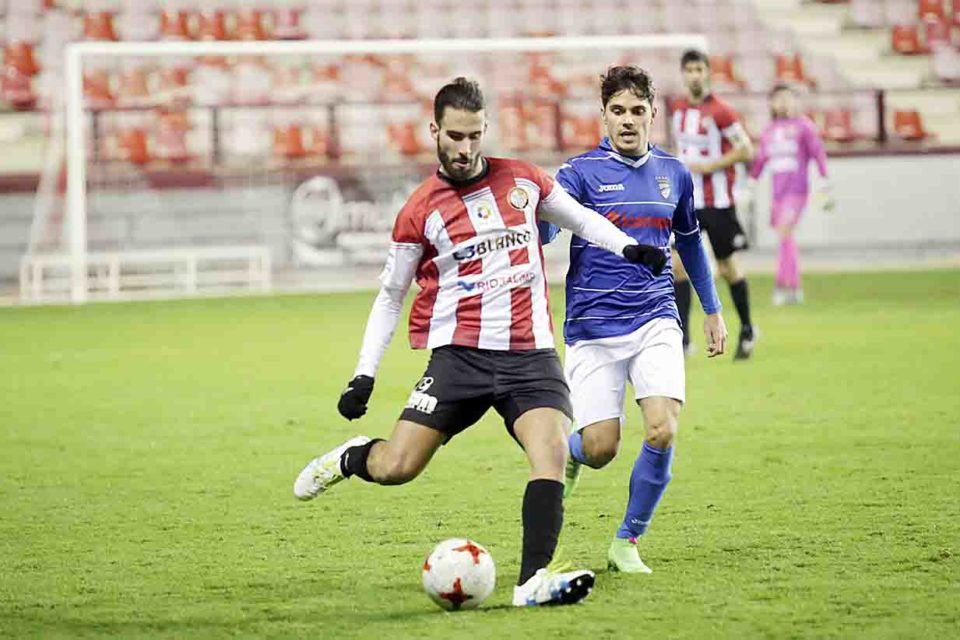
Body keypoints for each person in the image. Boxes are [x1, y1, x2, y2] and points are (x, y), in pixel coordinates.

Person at [292, 77, 668, 607]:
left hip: (530, 356)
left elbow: (580, 219)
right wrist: (364, 374)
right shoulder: (420, 210)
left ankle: (532, 581)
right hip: (458, 359)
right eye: (454, 136)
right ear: (434, 131)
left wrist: (632, 250)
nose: (465, 148)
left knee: (553, 452)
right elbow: (390, 296)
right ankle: (352, 459)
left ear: (485, 129)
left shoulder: (523, 181)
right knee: (398, 467)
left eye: (474, 135)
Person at [539, 66, 727, 573]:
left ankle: (627, 541)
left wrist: (712, 310)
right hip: (593, 327)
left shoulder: (675, 174)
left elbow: (689, 241)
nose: (627, 120)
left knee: (663, 429)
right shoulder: (577, 175)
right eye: (617, 111)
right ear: (602, 116)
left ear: (652, 115)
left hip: (655, 317)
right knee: (601, 448)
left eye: (637, 111)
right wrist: (532, 219)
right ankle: (572, 452)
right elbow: (546, 234)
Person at [671, 49, 757, 359]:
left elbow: (746, 149)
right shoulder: (678, 110)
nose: (694, 75)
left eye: (699, 69)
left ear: (707, 73)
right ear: (683, 74)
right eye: (689, 70)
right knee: (678, 266)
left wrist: (712, 165)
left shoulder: (722, 112)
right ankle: (682, 340)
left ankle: (747, 329)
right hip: (687, 203)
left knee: (727, 266)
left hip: (719, 203)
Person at [748, 83, 831, 305]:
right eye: (779, 98)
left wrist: (824, 179)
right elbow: (761, 160)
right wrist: (750, 182)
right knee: (785, 238)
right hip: (778, 194)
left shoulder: (804, 126)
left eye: (788, 98)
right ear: (771, 103)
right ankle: (790, 286)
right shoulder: (769, 130)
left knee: (785, 233)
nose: (784, 102)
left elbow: (817, 153)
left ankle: (787, 286)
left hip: (797, 192)